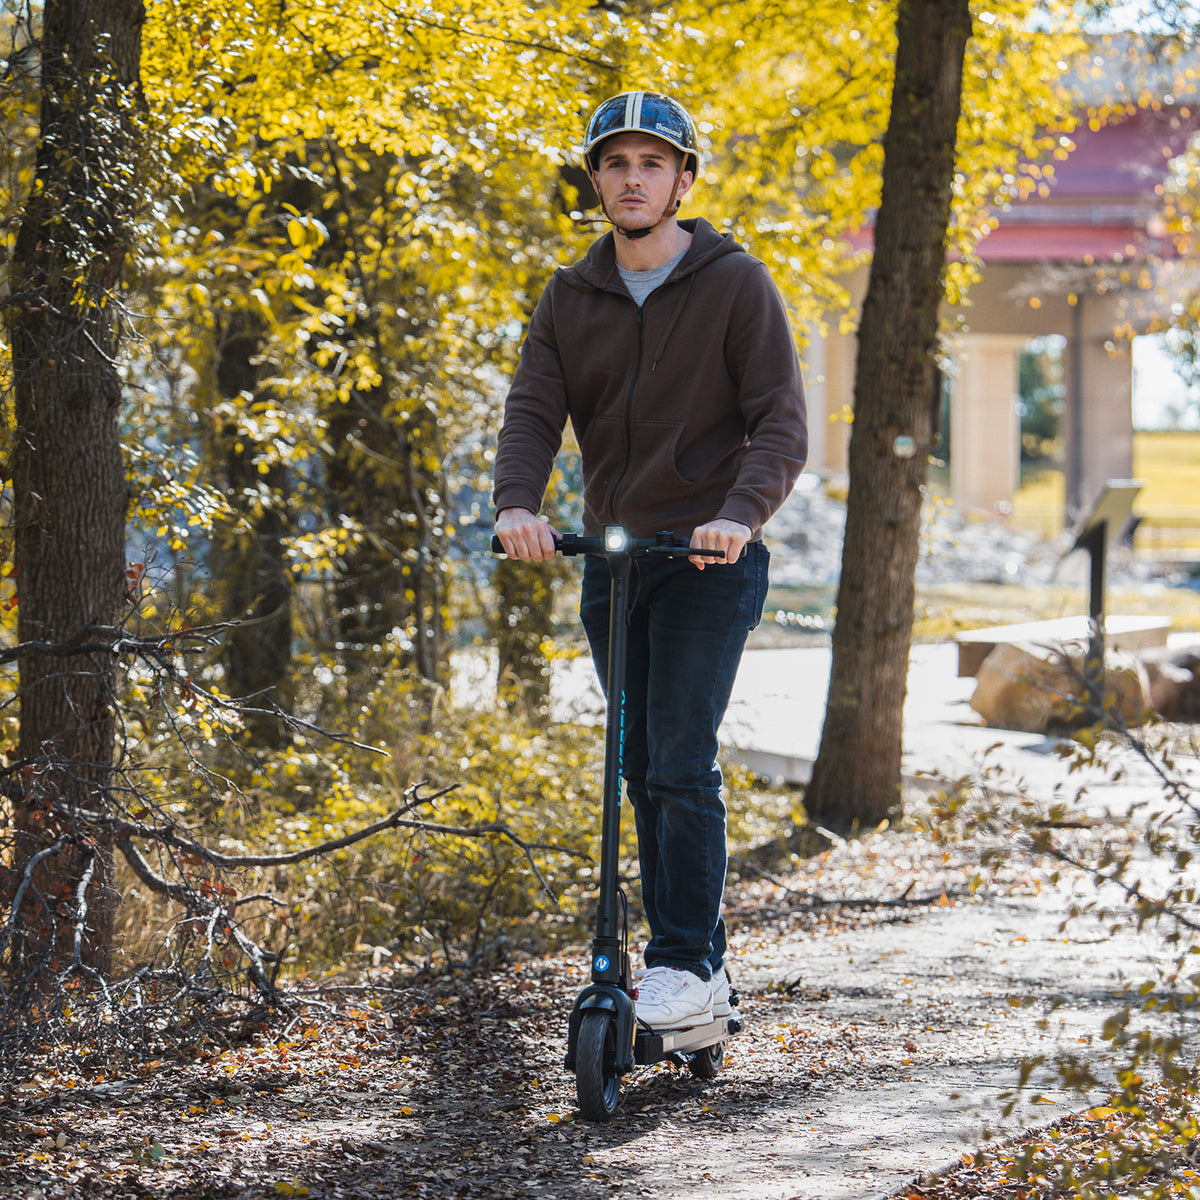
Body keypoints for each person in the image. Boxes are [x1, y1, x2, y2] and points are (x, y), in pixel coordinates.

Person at [492, 90, 807, 1029]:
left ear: (683, 179)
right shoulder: (570, 294)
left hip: (710, 561)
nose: (634, 179)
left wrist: (738, 517)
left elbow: (779, 427)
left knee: (678, 759)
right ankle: (690, 961)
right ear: (596, 179)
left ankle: (683, 962)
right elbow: (533, 413)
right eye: (617, 164)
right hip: (615, 561)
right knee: (635, 765)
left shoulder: (736, 284)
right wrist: (519, 506)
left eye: (653, 164)